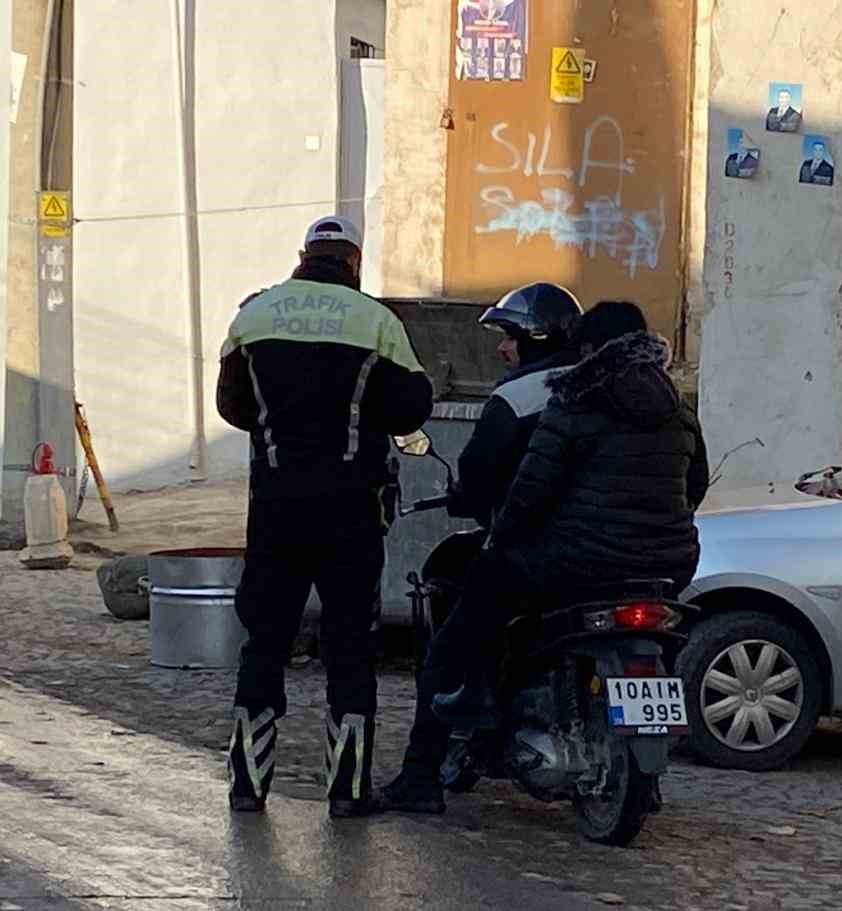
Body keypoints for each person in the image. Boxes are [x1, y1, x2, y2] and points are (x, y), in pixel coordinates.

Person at [216, 215, 434, 817]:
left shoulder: (255, 317)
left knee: (264, 642)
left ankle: (247, 785)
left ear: (303, 255)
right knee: (349, 646)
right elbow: (413, 406)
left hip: (275, 507)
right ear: (355, 262)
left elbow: (231, 405)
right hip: (351, 511)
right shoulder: (376, 323)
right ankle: (347, 789)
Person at [430, 302, 710, 730]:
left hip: (580, 561)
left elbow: (530, 492)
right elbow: (696, 485)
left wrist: (501, 536)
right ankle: (643, 765)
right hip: (670, 564)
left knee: (485, 584)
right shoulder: (677, 408)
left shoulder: (574, 401)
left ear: (589, 349)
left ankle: (477, 693)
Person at [380, 282, 583, 813]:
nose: (502, 349)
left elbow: (478, 478)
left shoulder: (518, 399)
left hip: (539, 557)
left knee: (449, 648)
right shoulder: (616, 392)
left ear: (536, 338)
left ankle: (421, 773)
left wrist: (473, 500)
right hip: (643, 559)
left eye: (510, 337)